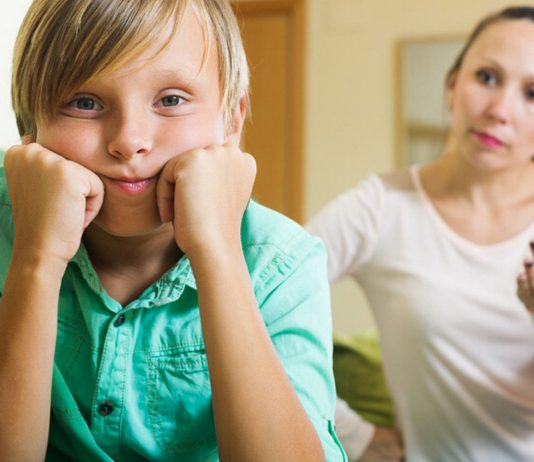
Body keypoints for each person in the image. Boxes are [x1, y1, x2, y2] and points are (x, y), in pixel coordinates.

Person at [0, 1, 346, 460]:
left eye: (171, 100)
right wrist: (36, 260)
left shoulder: (282, 263)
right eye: (85, 103)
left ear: (232, 121)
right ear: (31, 125)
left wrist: (217, 249)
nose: (129, 139)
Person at [306, 5, 534, 462]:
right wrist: (352, 434)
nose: (499, 110)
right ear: (453, 86)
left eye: (533, 93)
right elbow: (260, 302)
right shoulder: (380, 208)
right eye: (487, 77)